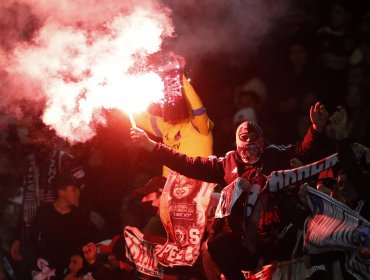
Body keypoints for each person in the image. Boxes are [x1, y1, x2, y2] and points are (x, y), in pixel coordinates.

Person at [130, 102, 329, 279]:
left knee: (307, 235)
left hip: (277, 231)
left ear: (262, 140)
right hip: (244, 239)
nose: (250, 144)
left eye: (254, 138)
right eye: (245, 138)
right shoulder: (226, 163)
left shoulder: (274, 155)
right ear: (237, 141)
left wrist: (316, 129)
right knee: (215, 245)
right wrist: (151, 146)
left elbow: (303, 150)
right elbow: (188, 163)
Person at [133, 53, 214, 177]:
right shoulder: (164, 126)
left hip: (198, 190)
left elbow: (196, 105)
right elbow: (140, 116)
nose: (170, 104)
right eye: (167, 102)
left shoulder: (198, 126)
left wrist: (179, 76)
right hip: (171, 192)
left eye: (175, 100)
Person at [26, 173, 97, 279]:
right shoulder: (44, 212)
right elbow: (32, 240)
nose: (78, 193)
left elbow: (86, 243)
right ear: (61, 192)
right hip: (46, 267)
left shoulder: (79, 216)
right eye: (73, 190)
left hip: (70, 269)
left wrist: (79, 256)